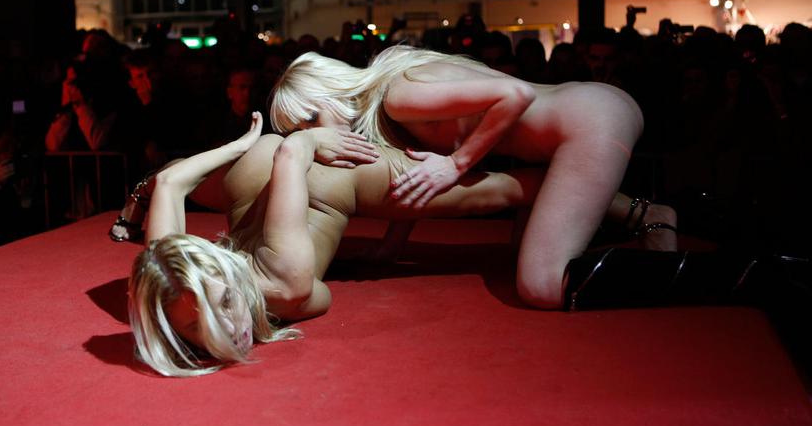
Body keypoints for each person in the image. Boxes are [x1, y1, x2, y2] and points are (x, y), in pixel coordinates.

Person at [125, 113, 545, 376]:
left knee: (507, 191)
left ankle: (578, 162)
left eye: (226, 301)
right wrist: (240, 147)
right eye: (195, 328)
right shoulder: (174, 282)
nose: (229, 327)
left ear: (219, 266)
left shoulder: (283, 285)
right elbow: (170, 181)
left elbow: (292, 153)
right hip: (262, 175)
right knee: (172, 173)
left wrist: (309, 139)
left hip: (328, 177)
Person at [270, 45, 679, 310]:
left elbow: (516, 95)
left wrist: (457, 164)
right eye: (301, 131)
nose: (314, 135)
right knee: (522, 252)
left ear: (331, 91)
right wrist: (391, 247)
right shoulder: (391, 98)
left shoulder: (397, 95)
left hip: (592, 122)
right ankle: (650, 217)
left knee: (541, 284)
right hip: (586, 117)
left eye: (311, 118)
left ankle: (704, 276)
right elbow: (417, 177)